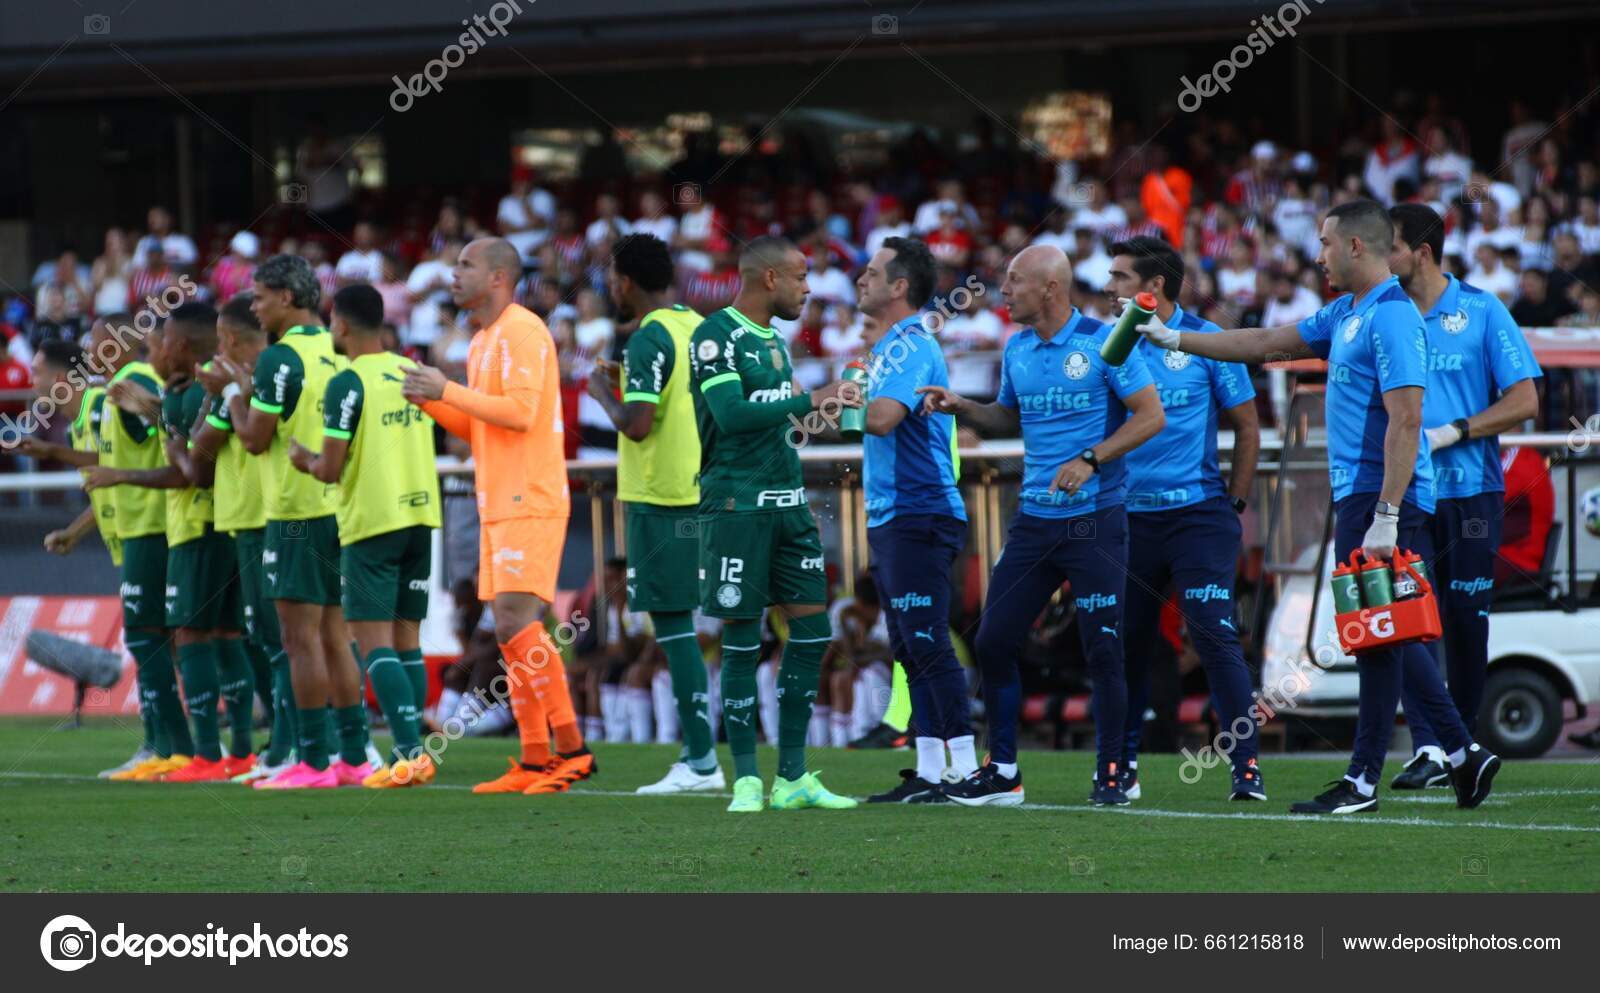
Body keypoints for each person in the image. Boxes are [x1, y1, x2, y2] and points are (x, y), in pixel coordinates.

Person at [1132, 199, 1501, 814]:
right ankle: (1438, 761)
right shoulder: (1347, 312)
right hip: (1364, 494)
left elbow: (1408, 417)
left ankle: (1424, 762)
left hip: (1384, 498)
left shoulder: (1391, 317)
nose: (1317, 254)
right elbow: (1265, 341)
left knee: (1382, 630)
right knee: (1376, 635)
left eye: (1326, 242)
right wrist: (1177, 337)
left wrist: (1387, 515)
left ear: (1356, 246)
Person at [919, 244, 1166, 806]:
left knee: (1103, 648)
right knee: (993, 639)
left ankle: (1115, 771)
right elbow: (1009, 414)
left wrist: (1091, 459)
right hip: (1034, 520)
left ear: (1051, 288)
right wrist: (964, 406)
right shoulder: (1017, 348)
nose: (1003, 292)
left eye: (1013, 282)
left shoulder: (1107, 340)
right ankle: (1003, 770)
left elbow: (1151, 416)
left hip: (1095, 520)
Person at [401, 237, 596, 796]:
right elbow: (481, 426)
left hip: (528, 496)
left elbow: (520, 412)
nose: (454, 273)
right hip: (499, 498)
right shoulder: (484, 339)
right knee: (510, 633)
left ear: (498, 277)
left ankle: (572, 751)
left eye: (466, 264)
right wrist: (433, 400)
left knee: (516, 625)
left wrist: (449, 389)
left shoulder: (522, 329)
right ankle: (536, 758)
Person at [686, 235, 863, 813]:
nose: (808, 289)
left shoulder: (776, 343)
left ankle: (792, 776)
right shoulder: (716, 335)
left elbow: (777, 422)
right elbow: (732, 416)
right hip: (737, 505)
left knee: (813, 632)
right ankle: (744, 779)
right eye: (800, 277)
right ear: (769, 279)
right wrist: (813, 398)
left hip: (789, 505)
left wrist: (828, 411)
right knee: (741, 640)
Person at [1386, 204, 1542, 788]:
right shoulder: (1383, 313)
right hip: (1406, 495)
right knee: (1410, 620)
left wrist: (1458, 430)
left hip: (1473, 493)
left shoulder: (1481, 310)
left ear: (1421, 252)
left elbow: (1525, 400)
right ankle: (1431, 747)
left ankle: (1462, 745)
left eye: (1391, 246)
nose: (1381, 257)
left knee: (1466, 620)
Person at [1107, 236, 1265, 802]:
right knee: (1129, 645)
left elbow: (1248, 426)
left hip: (1198, 515)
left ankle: (1245, 767)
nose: (1110, 287)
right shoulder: (1110, 343)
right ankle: (1120, 768)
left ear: (1153, 289)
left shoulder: (1208, 341)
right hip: (1129, 518)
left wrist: (1235, 503)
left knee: (1215, 635)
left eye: (1121, 277)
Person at [216, 254, 372, 790]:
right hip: (335, 511)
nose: (254, 309)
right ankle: (353, 756)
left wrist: (232, 394)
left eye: (259, 297)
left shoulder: (279, 359)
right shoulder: (334, 351)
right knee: (334, 636)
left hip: (295, 514)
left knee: (298, 640)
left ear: (287, 296)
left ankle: (312, 761)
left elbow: (256, 439)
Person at [89, 304, 257, 782]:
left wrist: (158, 442)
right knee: (228, 637)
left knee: (195, 638)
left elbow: (189, 474)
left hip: (196, 529)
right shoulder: (190, 393)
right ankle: (240, 752)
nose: (153, 352)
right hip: (221, 524)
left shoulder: (187, 397)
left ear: (179, 346)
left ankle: (206, 753)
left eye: (157, 343)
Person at [584, 233, 723, 793]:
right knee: (696, 626)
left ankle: (701, 763)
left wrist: (600, 392)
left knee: (673, 627)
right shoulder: (696, 325)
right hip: (702, 488)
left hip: (660, 497)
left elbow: (637, 424)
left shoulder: (646, 339)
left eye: (612, 278)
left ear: (624, 281)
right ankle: (711, 759)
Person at [290, 285, 441, 788]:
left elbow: (330, 468)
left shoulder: (348, 382)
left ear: (343, 325)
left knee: (375, 645)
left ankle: (409, 754)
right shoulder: (411, 371)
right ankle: (415, 749)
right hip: (421, 517)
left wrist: (302, 460)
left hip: (373, 522)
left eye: (333, 322)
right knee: (408, 643)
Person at [851, 237, 976, 803]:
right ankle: (930, 772)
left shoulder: (908, 345)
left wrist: (814, 404)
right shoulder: (890, 349)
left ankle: (966, 771)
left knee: (926, 642)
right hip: (897, 515)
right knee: (909, 646)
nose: (860, 279)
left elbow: (880, 419)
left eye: (872, 273)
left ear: (899, 287)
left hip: (918, 511)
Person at [84, 315, 196, 780]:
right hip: (141, 527)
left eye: (95, 342)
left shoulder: (134, 383)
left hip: (153, 526)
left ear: (117, 344)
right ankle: (171, 747)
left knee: (149, 638)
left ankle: (169, 748)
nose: (88, 352)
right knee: (156, 639)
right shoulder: (120, 390)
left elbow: (167, 436)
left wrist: (150, 410)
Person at [192, 294, 296, 783]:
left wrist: (226, 392)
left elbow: (198, 456)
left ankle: (295, 744)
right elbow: (201, 450)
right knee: (269, 638)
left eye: (220, 338)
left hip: (263, 519)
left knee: (280, 640)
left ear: (230, 340)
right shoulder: (261, 381)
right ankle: (287, 741)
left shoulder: (255, 386)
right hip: (252, 519)